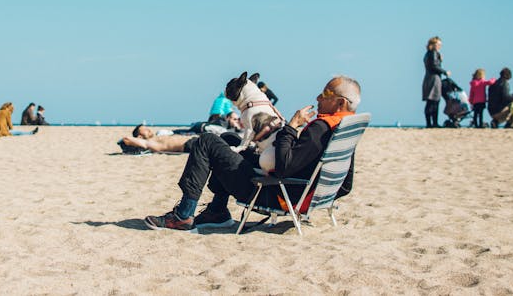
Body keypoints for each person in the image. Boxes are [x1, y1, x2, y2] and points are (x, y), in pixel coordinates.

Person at [144, 76, 361, 231]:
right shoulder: (344, 127)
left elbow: (284, 165)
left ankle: (183, 215)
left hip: (275, 193)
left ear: (340, 102)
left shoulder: (319, 129)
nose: (318, 97)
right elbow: (346, 185)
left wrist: (292, 127)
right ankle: (218, 211)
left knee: (206, 141)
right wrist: (322, 195)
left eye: (325, 94)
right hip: (298, 191)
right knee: (229, 140)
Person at [422, 36, 450, 128]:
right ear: (433, 44)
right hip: (434, 79)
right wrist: (445, 72)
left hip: (428, 78)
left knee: (430, 102)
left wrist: (439, 58)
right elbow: (434, 66)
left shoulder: (428, 54)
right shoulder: (433, 53)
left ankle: (429, 123)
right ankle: (433, 123)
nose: (439, 46)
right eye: (438, 44)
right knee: (434, 101)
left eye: (440, 45)